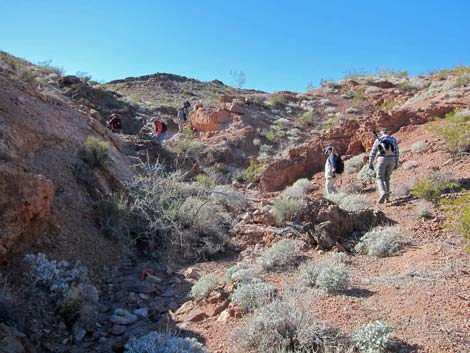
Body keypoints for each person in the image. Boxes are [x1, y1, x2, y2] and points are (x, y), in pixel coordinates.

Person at [368, 127, 400, 203]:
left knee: (379, 178)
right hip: (391, 159)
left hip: (382, 159)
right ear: (388, 132)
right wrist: (396, 162)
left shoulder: (378, 140)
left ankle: (382, 192)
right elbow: (396, 152)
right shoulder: (393, 139)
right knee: (387, 178)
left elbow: (373, 153)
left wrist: (370, 163)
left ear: (381, 132)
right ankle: (387, 198)